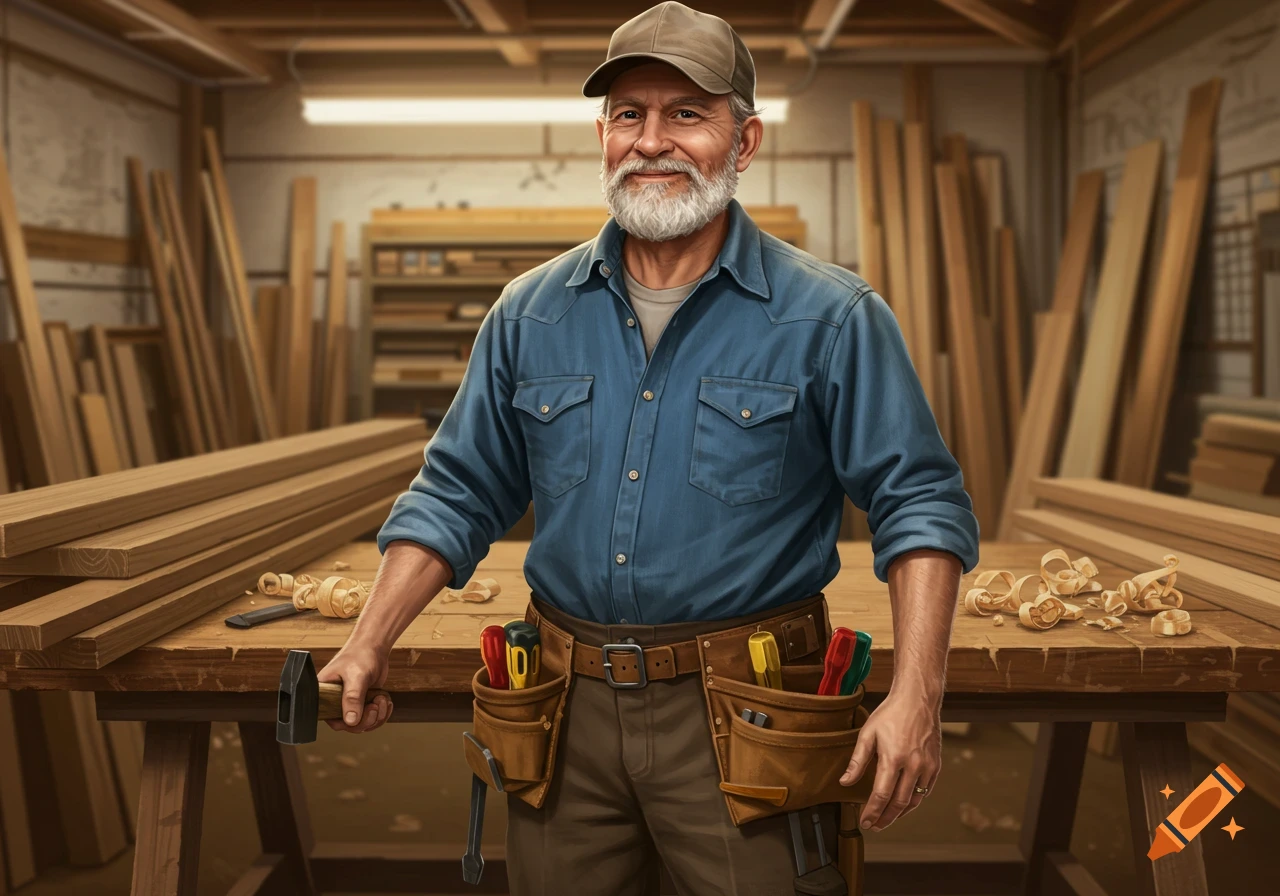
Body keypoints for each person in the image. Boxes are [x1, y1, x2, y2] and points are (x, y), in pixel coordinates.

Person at [318, 3, 979, 892]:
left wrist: (916, 697)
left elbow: (920, 502)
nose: (652, 140)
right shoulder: (530, 312)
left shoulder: (831, 317)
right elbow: (457, 490)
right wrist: (369, 640)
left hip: (752, 713)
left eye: (687, 114)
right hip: (563, 710)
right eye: (630, 113)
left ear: (742, 142)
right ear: (602, 135)